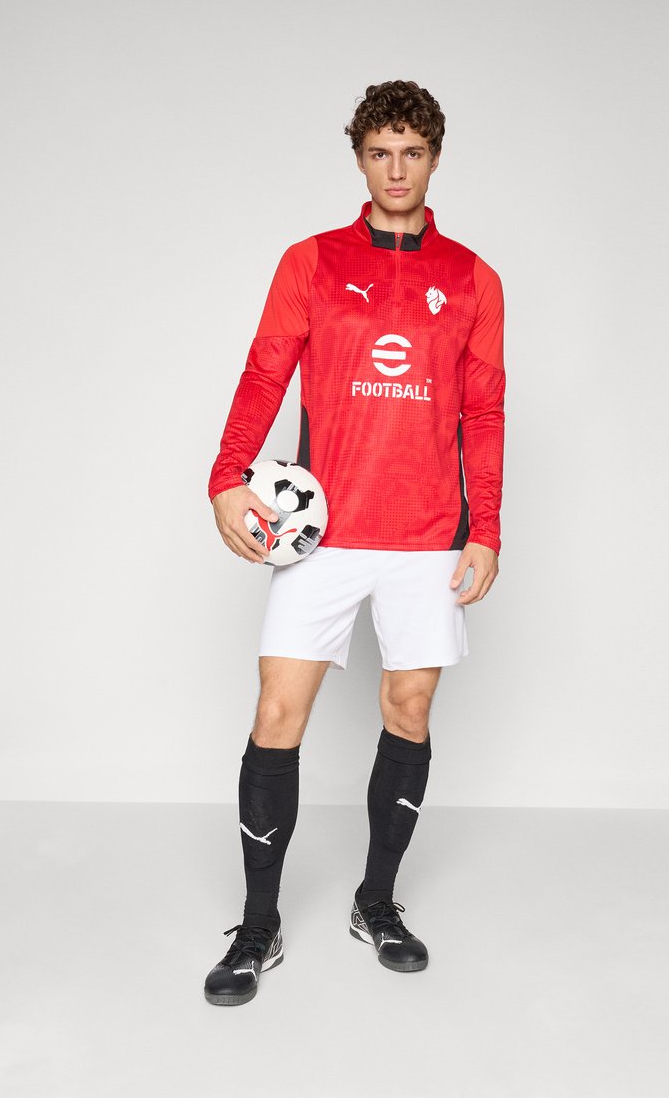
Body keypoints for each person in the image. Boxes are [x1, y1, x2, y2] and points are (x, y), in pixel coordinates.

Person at [203, 80, 505, 1005]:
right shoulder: (312, 262)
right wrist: (227, 474)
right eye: (380, 152)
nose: (396, 170)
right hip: (324, 531)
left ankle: (377, 901)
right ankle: (258, 923)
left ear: (435, 158)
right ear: (360, 159)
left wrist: (487, 528)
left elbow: (486, 412)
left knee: (408, 709)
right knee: (277, 713)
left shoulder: (474, 279)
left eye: (412, 153)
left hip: (427, 534)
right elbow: (264, 372)